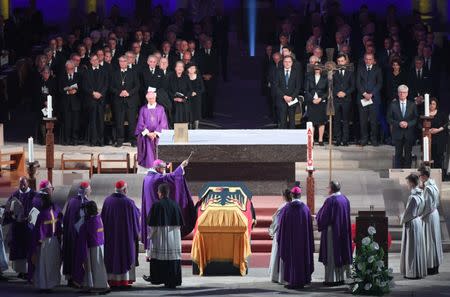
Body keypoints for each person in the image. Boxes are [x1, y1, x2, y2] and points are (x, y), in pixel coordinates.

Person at [141, 158, 195, 261]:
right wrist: (181, 166)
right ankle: (155, 255)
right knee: (158, 236)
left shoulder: (147, 177)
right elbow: (172, 177)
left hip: (150, 210)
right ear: (157, 168)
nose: (163, 170)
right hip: (157, 214)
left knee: (153, 234)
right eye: (162, 168)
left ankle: (150, 253)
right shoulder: (155, 179)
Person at [101, 180, 140, 288]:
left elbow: (102, 218)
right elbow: (136, 217)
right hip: (125, 238)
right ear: (124, 190)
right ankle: (124, 280)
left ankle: (111, 280)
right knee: (124, 255)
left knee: (112, 256)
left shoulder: (107, 201)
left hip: (110, 237)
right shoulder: (129, 203)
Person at [146, 183, 183, 288]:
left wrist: (150, 236)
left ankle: (158, 278)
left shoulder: (156, 205)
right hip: (174, 236)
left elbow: (152, 224)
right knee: (172, 256)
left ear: (160, 193)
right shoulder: (175, 204)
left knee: (159, 256)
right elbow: (179, 224)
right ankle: (173, 280)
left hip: (160, 235)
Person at [276, 185, 314, 289]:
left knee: (291, 258)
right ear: (300, 195)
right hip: (303, 242)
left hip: (290, 242)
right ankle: (303, 280)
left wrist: (280, 238)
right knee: (302, 258)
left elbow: (281, 225)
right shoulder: (306, 209)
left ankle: (293, 281)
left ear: (292, 195)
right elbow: (310, 228)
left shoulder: (287, 209)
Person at [316, 181, 352, 286]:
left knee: (331, 254)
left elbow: (324, 217)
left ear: (331, 189)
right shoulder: (345, 199)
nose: (328, 190)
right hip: (343, 231)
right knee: (341, 252)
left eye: (328, 188)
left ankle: (331, 280)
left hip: (332, 233)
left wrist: (317, 218)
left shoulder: (330, 201)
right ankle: (341, 278)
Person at [30, 188, 63, 292]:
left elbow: (38, 230)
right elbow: (59, 225)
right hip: (54, 241)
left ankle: (44, 285)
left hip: (44, 243)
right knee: (52, 263)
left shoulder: (42, 214)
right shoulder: (55, 210)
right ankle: (51, 284)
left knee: (43, 264)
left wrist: (37, 242)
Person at [73, 201, 109, 293]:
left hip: (91, 248)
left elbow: (82, 235)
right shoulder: (99, 218)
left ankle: (91, 285)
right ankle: (102, 284)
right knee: (99, 267)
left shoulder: (87, 224)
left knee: (91, 268)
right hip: (100, 246)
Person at [2, 177, 35, 278]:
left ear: (28, 183)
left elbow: (36, 207)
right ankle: (20, 271)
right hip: (17, 227)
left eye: (24, 184)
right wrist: (12, 215)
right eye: (21, 184)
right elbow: (8, 208)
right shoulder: (15, 195)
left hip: (28, 227)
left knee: (27, 249)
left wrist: (28, 216)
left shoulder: (33, 195)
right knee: (18, 249)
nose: (23, 186)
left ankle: (27, 271)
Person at [62, 181, 91, 286]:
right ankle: (78, 279)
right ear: (86, 191)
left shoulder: (71, 202)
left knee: (70, 255)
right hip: (80, 236)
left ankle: (70, 278)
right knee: (78, 256)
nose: (91, 191)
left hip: (70, 234)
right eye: (90, 189)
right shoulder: (87, 203)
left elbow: (65, 219)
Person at [400, 173, 427, 279]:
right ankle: (417, 270)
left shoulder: (412, 197)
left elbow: (408, 213)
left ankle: (412, 272)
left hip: (411, 223)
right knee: (417, 247)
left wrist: (401, 218)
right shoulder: (421, 194)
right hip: (418, 221)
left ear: (411, 183)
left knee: (411, 249)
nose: (407, 184)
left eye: (407, 182)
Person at [419, 166, 443, 275]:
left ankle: (430, 267)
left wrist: (419, 216)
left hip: (428, 216)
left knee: (429, 241)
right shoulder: (434, 185)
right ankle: (435, 266)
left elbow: (427, 206)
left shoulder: (428, 188)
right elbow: (436, 202)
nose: (419, 178)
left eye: (420, 175)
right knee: (434, 240)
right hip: (435, 214)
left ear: (424, 176)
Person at [111, 55, 140, 147]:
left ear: (127, 62)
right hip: (118, 101)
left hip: (131, 101)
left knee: (132, 122)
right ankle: (119, 140)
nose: (122, 63)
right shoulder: (114, 73)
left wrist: (129, 93)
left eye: (124, 61)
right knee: (119, 122)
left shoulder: (133, 72)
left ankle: (133, 140)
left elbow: (137, 86)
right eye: (120, 61)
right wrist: (119, 92)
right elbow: (111, 87)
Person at [135, 91, 168, 170]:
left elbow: (163, 122)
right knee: (146, 142)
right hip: (147, 135)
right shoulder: (143, 109)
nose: (151, 100)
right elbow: (140, 122)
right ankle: (148, 167)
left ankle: (159, 167)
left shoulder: (160, 108)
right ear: (147, 99)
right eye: (149, 98)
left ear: (155, 98)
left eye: (153, 98)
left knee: (160, 143)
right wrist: (148, 133)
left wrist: (155, 133)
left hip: (157, 134)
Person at [387, 85, 418, 168]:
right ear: (398, 93)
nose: (402, 94)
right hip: (397, 133)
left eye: (404, 92)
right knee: (398, 154)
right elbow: (389, 119)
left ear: (407, 93)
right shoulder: (393, 105)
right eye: (400, 92)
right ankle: (398, 172)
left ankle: (407, 173)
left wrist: (408, 124)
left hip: (409, 133)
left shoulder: (412, 105)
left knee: (408, 154)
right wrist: (398, 123)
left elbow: (416, 119)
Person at [356, 53, 383, 146]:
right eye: (367, 59)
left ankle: (374, 139)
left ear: (373, 60)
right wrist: (364, 93)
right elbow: (358, 83)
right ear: (364, 59)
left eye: (370, 59)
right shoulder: (360, 69)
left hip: (374, 99)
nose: (368, 61)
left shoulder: (378, 69)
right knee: (363, 121)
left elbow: (379, 83)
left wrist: (371, 94)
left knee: (373, 121)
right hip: (362, 98)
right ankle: (364, 139)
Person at [82, 54, 109, 146]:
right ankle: (93, 141)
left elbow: (106, 84)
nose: (95, 61)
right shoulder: (86, 72)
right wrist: (93, 93)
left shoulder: (104, 70)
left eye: (96, 59)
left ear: (98, 60)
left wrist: (100, 94)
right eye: (93, 60)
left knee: (101, 121)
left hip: (101, 100)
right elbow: (84, 86)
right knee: (92, 121)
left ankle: (101, 141)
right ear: (90, 61)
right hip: (91, 100)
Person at [268, 188, 291, 283]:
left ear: (283, 196)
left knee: (278, 254)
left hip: (280, 234)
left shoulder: (283, 207)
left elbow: (277, 222)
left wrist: (272, 231)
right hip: (290, 235)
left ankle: (277, 276)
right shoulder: (292, 206)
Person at [274, 55, 302, 129]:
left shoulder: (296, 72)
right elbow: (276, 86)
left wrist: (292, 97)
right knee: (282, 121)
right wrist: (284, 96)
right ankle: (282, 139)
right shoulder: (278, 72)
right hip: (281, 99)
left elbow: (298, 87)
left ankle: (292, 139)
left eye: (289, 62)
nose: (287, 63)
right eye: (285, 62)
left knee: (292, 121)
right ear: (283, 62)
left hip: (292, 100)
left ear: (292, 63)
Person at [333, 54, 355, 146]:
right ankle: (338, 139)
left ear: (345, 61)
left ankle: (345, 140)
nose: (340, 63)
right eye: (339, 61)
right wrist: (337, 92)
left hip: (346, 99)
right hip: (337, 99)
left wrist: (345, 93)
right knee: (337, 120)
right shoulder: (334, 72)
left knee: (346, 120)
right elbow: (331, 85)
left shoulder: (350, 72)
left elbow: (352, 86)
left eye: (342, 61)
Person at [59, 60, 82, 145]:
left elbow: (82, 88)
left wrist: (76, 91)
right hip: (66, 104)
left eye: (71, 68)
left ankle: (75, 140)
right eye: (68, 69)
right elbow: (60, 89)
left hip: (76, 103)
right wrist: (68, 92)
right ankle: (67, 140)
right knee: (67, 123)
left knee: (75, 123)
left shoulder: (78, 76)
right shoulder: (62, 77)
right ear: (66, 69)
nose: (70, 70)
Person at [305, 63, 328, 145]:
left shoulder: (325, 78)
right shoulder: (309, 78)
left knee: (321, 121)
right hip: (311, 102)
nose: (317, 69)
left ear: (321, 69)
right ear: (313, 68)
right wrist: (312, 99)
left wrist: (321, 98)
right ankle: (311, 140)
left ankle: (320, 139)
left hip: (321, 102)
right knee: (312, 121)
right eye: (316, 67)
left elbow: (327, 91)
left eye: (319, 67)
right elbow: (306, 90)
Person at [428, 98, 447, 170]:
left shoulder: (441, 113)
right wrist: (427, 130)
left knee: (438, 158)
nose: (432, 105)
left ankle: (439, 175)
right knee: (430, 157)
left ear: (436, 105)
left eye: (433, 104)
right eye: (430, 104)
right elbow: (419, 125)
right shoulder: (425, 113)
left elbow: (446, 123)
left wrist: (438, 130)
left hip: (439, 138)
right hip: (429, 138)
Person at [186, 63, 204, 129]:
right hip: (188, 98)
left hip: (197, 98)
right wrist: (190, 93)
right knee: (189, 112)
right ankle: (189, 128)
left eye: (193, 68)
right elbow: (184, 88)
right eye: (190, 68)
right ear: (187, 69)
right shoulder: (185, 77)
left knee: (196, 113)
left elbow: (202, 88)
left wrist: (196, 93)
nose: (192, 69)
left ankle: (196, 128)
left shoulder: (198, 77)